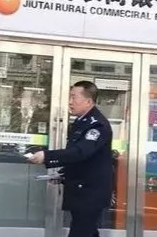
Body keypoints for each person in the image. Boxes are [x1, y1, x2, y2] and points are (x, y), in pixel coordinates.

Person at [29, 80, 113, 237]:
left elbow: (80, 152)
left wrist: (47, 156)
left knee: (81, 232)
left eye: (74, 97)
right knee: (87, 232)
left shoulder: (97, 125)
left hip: (90, 193)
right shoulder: (82, 122)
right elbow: (80, 159)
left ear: (88, 101)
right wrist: (62, 174)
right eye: (70, 97)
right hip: (81, 191)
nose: (70, 102)